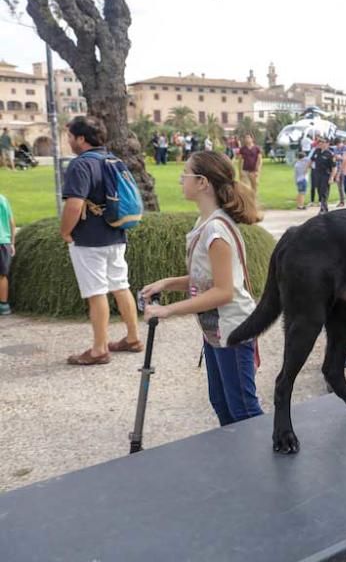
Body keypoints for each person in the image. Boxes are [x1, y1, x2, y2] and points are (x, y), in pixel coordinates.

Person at [139, 151, 264, 426]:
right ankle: (238, 459)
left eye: (185, 174)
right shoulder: (205, 224)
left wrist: (168, 310)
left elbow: (223, 292)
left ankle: (265, 463)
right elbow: (206, 279)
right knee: (221, 402)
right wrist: (168, 283)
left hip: (233, 330)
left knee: (243, 410)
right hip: (215, 331)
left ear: (202, 183)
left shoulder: (216, 231)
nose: (180, 179)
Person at [61, 116, 143, 365]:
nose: (69, 141)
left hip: (89, 239)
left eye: (71, 137)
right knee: (120, 285)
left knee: (96, 292)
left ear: (81, 139)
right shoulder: (114, 160)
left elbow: (74, 205)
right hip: (116, 233)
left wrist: (65, 231)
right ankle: (133, 337)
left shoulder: (80, 165)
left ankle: (99, 349)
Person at [310, 137, 336, 213]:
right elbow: (312, 160)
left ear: (328, 144)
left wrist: (332, 177)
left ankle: (323, 208)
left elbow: (334, 167)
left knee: (324, 191)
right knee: (319, 191)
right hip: (317, 173)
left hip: (325, 174)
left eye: (324, 142)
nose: (321, 144)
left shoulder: (330, 154)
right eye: (320, 142)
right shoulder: (317, 151)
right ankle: (324, 207)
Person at [0, 191, 14, 315]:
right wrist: (12, 242)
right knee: (3, 275)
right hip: (4, 241)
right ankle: (4, 305)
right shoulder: (3, 199)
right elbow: (11, 222)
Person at [332, 136, 346, 208]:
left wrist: (340, 157)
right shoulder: (335, 149)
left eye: (338, 144)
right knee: (340, 187)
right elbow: (335, 157)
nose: (338, 146)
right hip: (338, 168)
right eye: (336, 145)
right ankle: (342, 201)